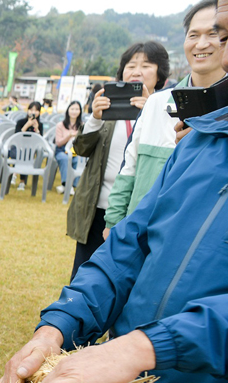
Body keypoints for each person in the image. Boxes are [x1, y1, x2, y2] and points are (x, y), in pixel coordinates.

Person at [0, 0, 228, 383]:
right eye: (215, 33)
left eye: (222, 36)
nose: (212, 49)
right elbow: (131, 245)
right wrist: (60, 327)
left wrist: (147, 347)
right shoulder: (198, 142)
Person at [104, 2, 222, 236]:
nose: (201, 44)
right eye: (193, 35)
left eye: (214, 34)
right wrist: (113, 222)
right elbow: (129, 168)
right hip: (141, 232)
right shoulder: (156, 103)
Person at [66, 41, 167, 279]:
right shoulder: (110, 111)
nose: (137, 71)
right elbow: (80, 149)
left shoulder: (166, 111)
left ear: (160, 74)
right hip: (98, 207)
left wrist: (152, 115)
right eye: (131, 65)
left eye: (146, 65)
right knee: (85, 274)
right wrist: (95, 118)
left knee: (124, 278)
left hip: (139, 212)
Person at [12, 101, 44, 190]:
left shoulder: (40, 125)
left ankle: (21, 180)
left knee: (27, 154)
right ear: (28, 110)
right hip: (17, 147)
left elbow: (41, 140)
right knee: (20, 154)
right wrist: (27, 125)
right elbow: (16, 137)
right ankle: (15, 174)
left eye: (36, 110)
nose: (33, 112)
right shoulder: (21, 122)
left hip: (30, 150)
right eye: (31, 109)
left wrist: (36, 129)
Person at [53, 100, 83, 194]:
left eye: (77, 109)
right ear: (68, 110)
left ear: (80, 111)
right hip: (61, 150)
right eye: (72, 109)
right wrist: (69, 136)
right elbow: (58, 143)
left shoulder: (82, 126)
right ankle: (66, 185)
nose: (74, 111)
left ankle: (74, 185)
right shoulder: (60, 125)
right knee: (65, 159)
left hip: (75, 150)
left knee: (77, 160)